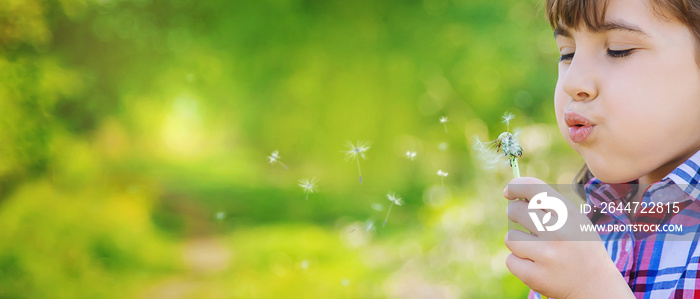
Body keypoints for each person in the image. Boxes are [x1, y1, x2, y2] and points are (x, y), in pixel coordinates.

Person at [502, 0, 700, 298]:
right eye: (567, 54)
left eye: (618, 49)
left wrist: (592, 288)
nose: (572, 82)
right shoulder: (581, 229)